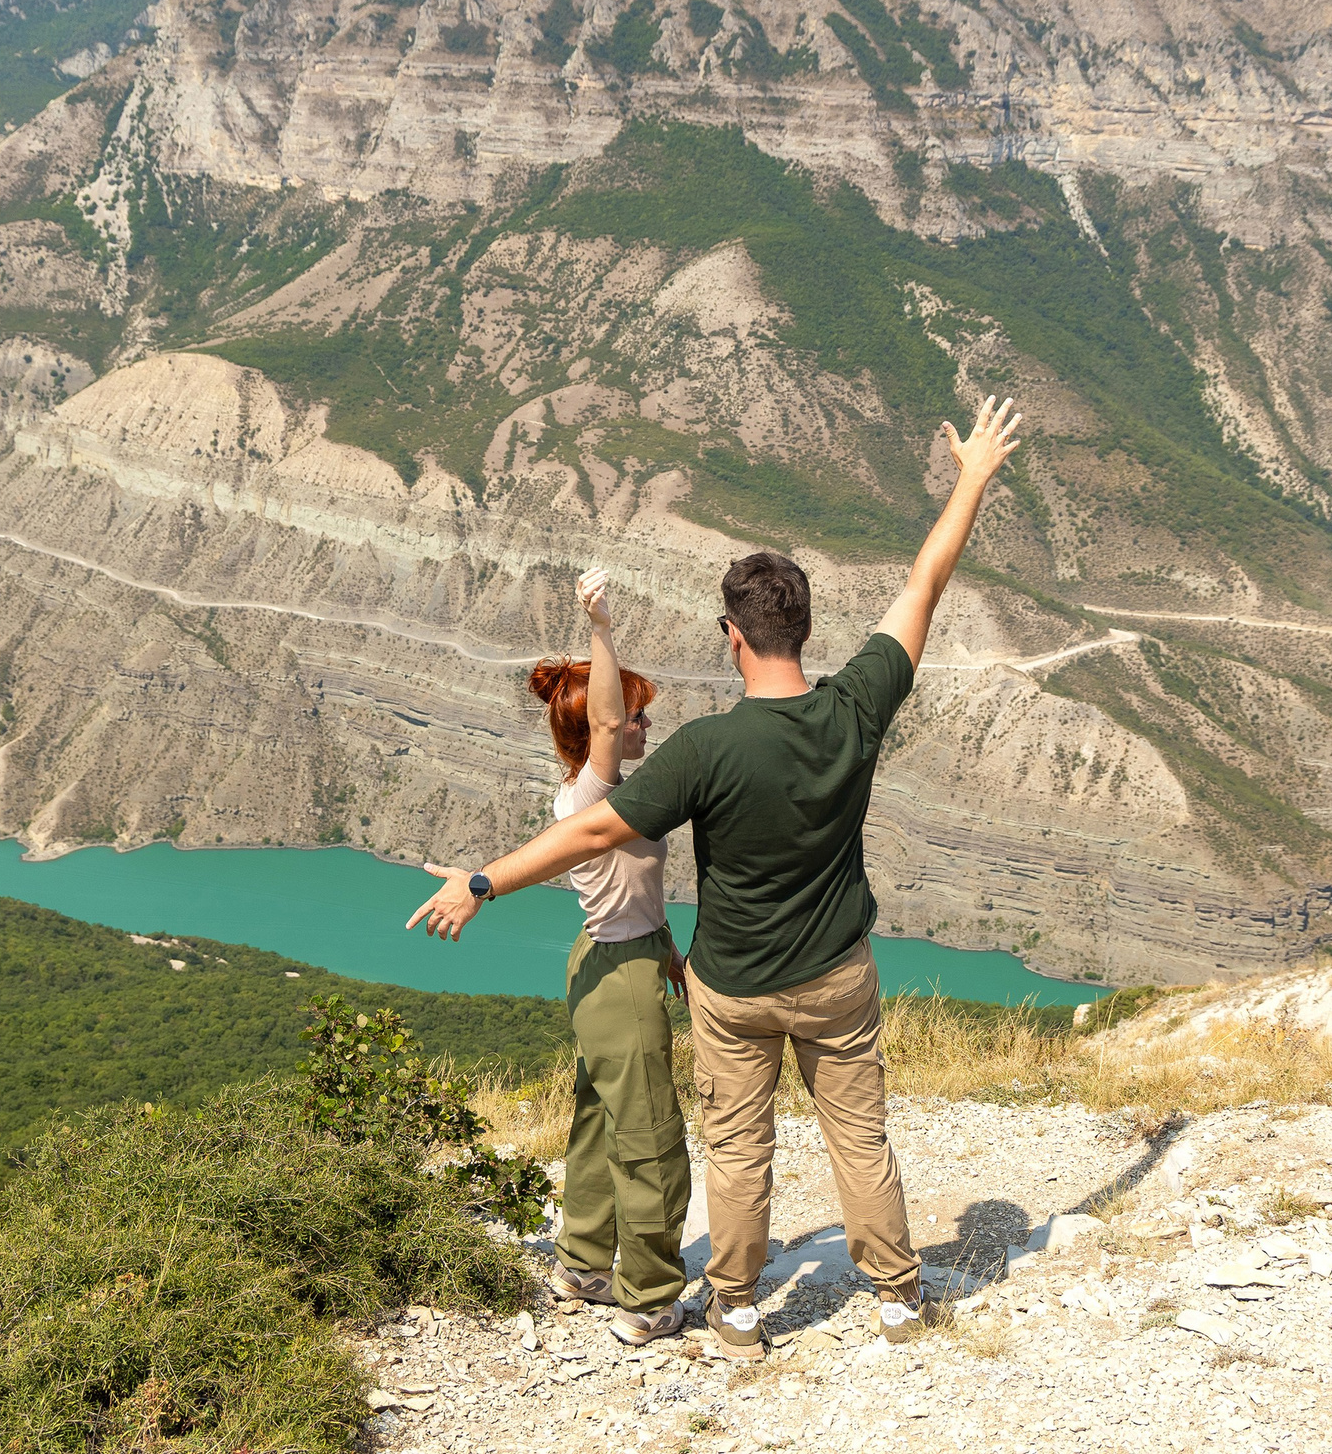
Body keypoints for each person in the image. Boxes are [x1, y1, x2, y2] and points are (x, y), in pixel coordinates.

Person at [410, 395, 1026, 1361]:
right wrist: (974, 478)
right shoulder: (857, 704)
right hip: (836, 974)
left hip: (731, 988)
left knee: (740, 1150)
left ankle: (735, 1309)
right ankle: (898, 1296)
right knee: (858, 1137)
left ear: (731, 635)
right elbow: (922, 586)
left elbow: (591, 831)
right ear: (806, 631)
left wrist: (483, 882)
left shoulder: (703, 749)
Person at [455, 568, 695, 1345]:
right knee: (650, 1134)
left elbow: (634, 892)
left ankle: (585, 1263)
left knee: (598, 1118)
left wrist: (668, 952)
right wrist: (601, 627)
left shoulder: (606, 793)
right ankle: (650, 1297)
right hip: (616, 979)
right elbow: (601, 723)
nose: (641, 725)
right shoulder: (590, 794)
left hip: (607, 959)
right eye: (634, 717)